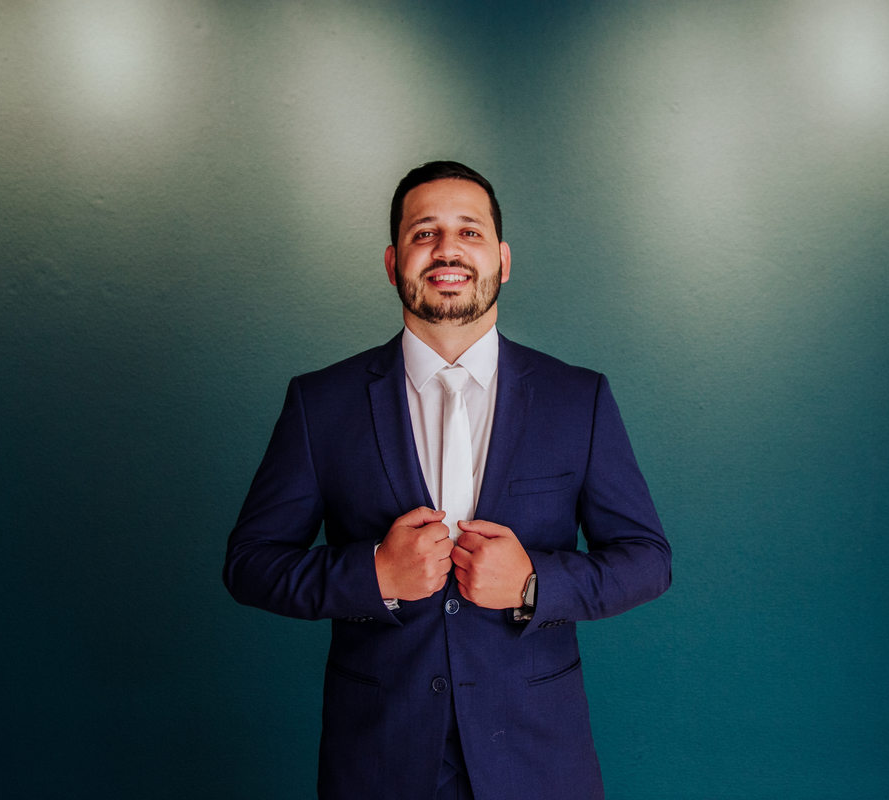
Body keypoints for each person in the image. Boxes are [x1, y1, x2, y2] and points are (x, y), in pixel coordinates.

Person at [223, 161, 671, 800]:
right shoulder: (319, 404)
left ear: (502, 260)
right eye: (424, 233)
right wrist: (373, 574)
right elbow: (249, 563)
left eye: (470, 232)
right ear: (392, 262)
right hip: (377, 761)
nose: (447, 250)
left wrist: (534, 584)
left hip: (537, 761)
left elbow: (648, 560)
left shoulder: (580, 399)